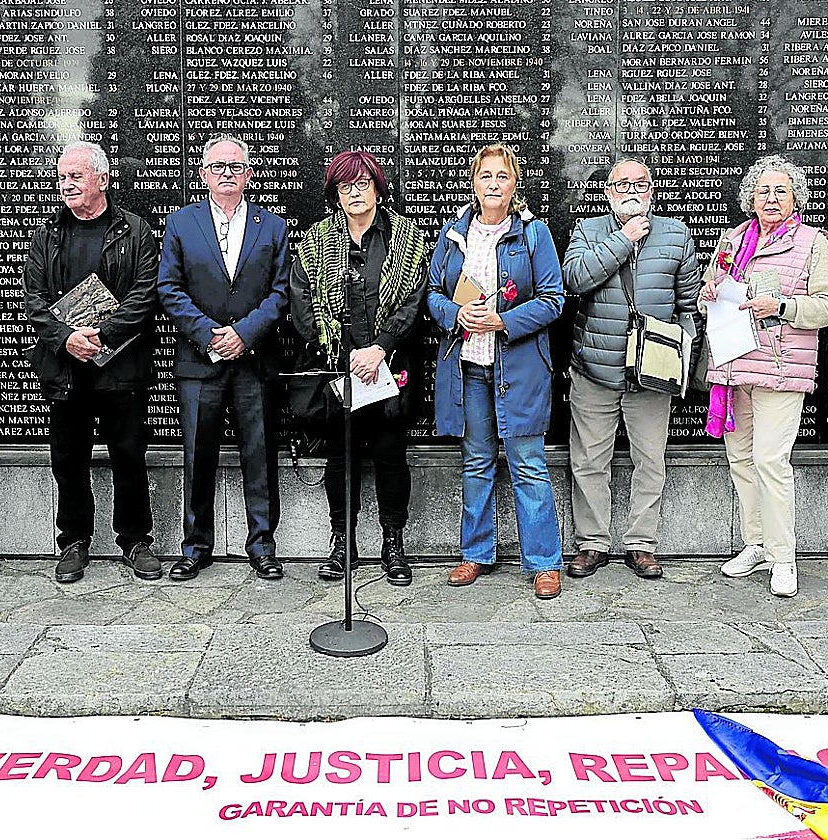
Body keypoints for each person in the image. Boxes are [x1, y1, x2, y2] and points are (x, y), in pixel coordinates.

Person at [426, 143, 565, 599]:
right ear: (474, 182)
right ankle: (475, 553)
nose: (493, 183)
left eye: (502, 176)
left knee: (528, 464)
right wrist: (456, 315)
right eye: (485, 175)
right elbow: (432, 294)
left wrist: (502, 321)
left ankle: (544, 562)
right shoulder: (453, 233)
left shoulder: (534, 233)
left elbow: (553, 300)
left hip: (519, 369)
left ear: (514, 183)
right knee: (476, 462)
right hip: (468, 368)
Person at [22, 141, 161, 584]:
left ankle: (135, 540)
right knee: (68, 459)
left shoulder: (135, 231)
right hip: (67, 369)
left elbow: (145, 295)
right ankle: (74, 541)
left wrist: (103, 335)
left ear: (102, 179)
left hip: (121, 366)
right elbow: (34, 299)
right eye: (62, 176)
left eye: (75, 176)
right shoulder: (47, 234)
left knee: (129, 456)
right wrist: (67, 339)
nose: (65, 184)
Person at [290, 150, 428, 586]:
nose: (354, 193)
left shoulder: (406, 238)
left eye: (362, 184)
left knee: (390, 456)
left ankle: (393, 543)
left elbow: (413, 302)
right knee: (340, 458)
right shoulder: (315, 242)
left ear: (377, 189)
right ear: (335, 194)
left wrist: (380, 348)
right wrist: (345, 353)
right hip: (338, 369)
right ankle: (342, 542)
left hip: (389, 368)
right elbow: (302, 305)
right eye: (345, 186)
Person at [157, 135, 290, 581]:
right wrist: (210, 336)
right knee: (198, 457)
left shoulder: (273, 227)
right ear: (203, 174)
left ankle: (262, 546)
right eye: (218, 166)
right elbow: (169, 289)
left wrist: (243, 334)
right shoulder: (181, 224)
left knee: (260, 454)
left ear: (249, 174)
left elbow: (280, 293)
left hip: (254, 361)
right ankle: (196, 546)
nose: (227, 173)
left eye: (235, 166)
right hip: (200, 363)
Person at [562, 158, 700, 580]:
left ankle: (642, 544)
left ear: (652, 191)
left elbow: (688, 305)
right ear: (608, 193)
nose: (632, 190)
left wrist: (682, 359)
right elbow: (574, 279)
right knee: (589, 461)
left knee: (650, 460)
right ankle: (592, 543)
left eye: (640, 183)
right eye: (622, 184)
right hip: (595, 369)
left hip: (653, 374)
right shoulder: (588, 231)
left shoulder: (676, 234)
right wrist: (623, 239)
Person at [701, 155, 828, 597]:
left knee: (771, 462)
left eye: (780, 191)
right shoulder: (733, 239)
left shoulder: (813, 242)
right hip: (735, 367)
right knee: (740, 459)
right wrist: (709, 292)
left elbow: (825, 306)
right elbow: (710, 290)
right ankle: (755, 543)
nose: (770, 199)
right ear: (750, 198)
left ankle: (783, 557)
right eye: (762, 191)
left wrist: (783, 307)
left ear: (796, 198)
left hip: (780, 367)